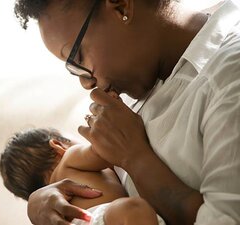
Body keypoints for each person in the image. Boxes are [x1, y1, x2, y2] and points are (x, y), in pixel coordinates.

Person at [12, 0, 240, 224]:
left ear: (121, 6)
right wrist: (41, 200)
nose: (86, 83)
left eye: (78, 58)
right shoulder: (137, 92)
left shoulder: (229, 78)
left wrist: (135, 157)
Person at [0, 127, 158, 225]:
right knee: (133, 209)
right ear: (59, 146)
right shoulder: (70, 158)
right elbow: (107, 149)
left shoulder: (53, 206)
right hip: (100, 218)